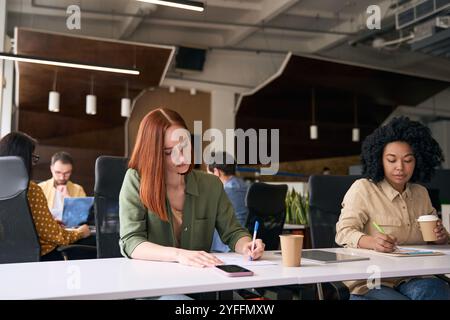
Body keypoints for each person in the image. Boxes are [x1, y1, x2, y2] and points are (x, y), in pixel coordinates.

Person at [119, 108, 265, 268]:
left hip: (202, 281)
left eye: (185, 146)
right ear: (152, 154)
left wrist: (246, 245)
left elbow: (233, 232)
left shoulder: (211, 185)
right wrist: (179, 255)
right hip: (155, 283)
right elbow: (132, 241)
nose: (182, 158)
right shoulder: (136, 180)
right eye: (168, 152)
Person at [335, 117, 450, 300]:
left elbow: (435, 239)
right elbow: (343, 233)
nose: (400, 168)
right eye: (391, 160)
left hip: (412, 276)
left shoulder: (421, 193)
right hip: (372, 280)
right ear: (380, 159)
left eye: (408, 160)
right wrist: (372, 242)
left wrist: (441, 237)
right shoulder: (363, 188)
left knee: (438, 290)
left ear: (418, 161)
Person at [0, 132, 90, 261]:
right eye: (32, 158)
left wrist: (49, 222)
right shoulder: (32, 190)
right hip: (39, 258)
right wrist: (81, 232)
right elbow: (56, 236)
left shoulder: (77, 189)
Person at [207, 151, 250, 252]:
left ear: (216, 172)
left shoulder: (221, 192)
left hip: (226, 246)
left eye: (208, 174)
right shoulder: (247, 187)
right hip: (245, 242)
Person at [39, 151, 86, 220]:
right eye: (58, 172)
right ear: (51, 169)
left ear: (71, 170)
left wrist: (68, 199)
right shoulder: (40, 188)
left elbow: (83, 217)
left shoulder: (78, 189)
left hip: (71, 229)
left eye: (67, 173)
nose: (62, 177)